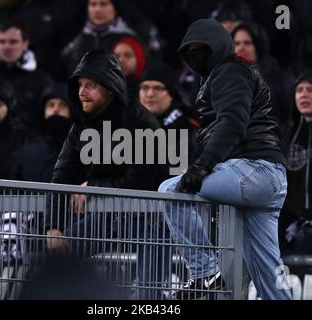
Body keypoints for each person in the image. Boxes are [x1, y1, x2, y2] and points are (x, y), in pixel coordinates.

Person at [158, 18, 291, 300]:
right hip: (269, 178)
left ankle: (205, 273)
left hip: (252, 168)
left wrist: (202, 165)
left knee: (170, 191)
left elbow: (232, 123)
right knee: (269, 274)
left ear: (217, 46)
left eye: (201, 49)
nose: (195, 56)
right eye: (189, 51)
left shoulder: (229, 70)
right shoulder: (223, 74)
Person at [46, 49, 169, 299]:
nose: (82, 92)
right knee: (57, 253)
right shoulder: (80, 126)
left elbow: (140, 181)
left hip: (151, 220)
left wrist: (92, 187)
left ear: (110, 88)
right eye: (80, 85)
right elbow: (62, 174)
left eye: (90, 85)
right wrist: (52, 225)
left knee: (149, 294)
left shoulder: (142, 122)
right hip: (107, 216)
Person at [139, 63, 200, 165]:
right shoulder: (131, 123)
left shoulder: (189, 127)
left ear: (171, 94)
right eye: (145, 87)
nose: (149, 94)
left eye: (157, 88)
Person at [12, 83, 73, 182]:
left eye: (62, 105)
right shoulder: (27, 146)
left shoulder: (81, 146)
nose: (56, 110)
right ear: (43, 111)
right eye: (51, 105)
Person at [279, 70, 312, 256]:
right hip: (292, 226)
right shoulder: (286, 134)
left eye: (309, 89)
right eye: (300, 90)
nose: (304, 94)